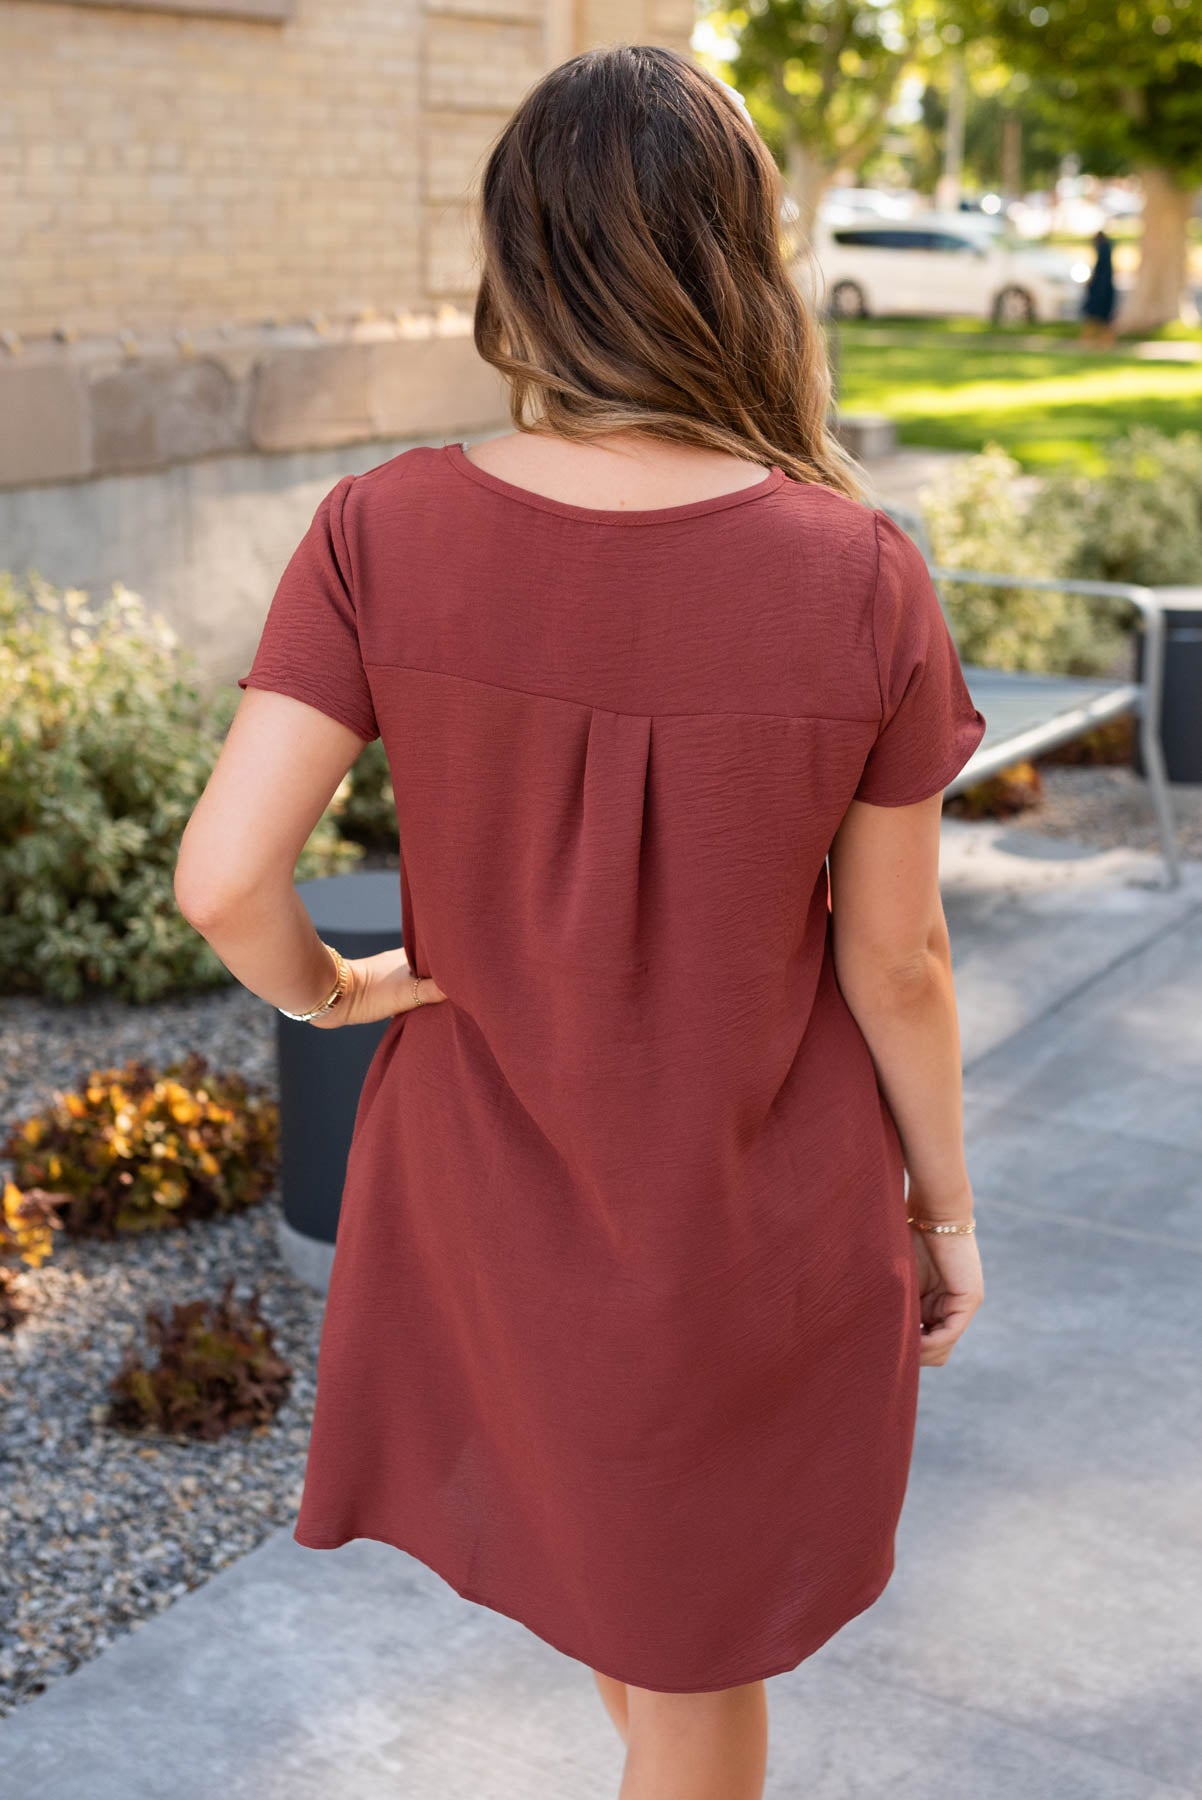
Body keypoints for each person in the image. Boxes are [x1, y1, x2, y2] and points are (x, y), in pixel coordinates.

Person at [175, 43, 987, 1800]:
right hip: (736, 1221)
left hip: (483, 1195)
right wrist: (943, 1203)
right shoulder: (859, 576)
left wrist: (331, 992)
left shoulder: (379, 529)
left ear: (519, 258)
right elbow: (897, 960)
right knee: (688, 1655)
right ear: (736, 257)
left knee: (650, 1628)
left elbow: (224, 877)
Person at [1081, 226, 1118, 346]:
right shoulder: (1106, 252)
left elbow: (1101, 273)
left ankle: (1091, 341)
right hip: (1103, 290)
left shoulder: (1104, 252)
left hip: (1100, 292)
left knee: (1096, 318)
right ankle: (1093, 340)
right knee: (1101, 320)